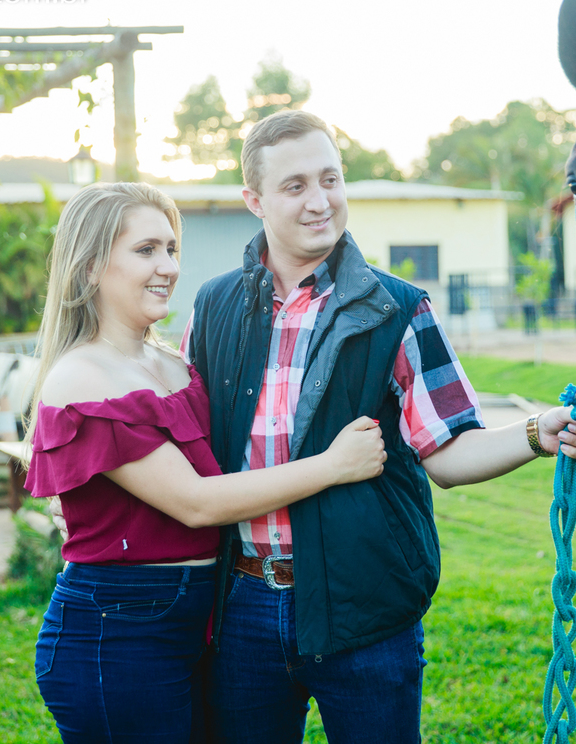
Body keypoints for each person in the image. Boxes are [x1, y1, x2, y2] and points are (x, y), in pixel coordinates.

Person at [181, 110, 576, 743]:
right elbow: (186, 452)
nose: (320, 200)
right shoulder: (213, 306)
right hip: (240, 605)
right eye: (295, 185)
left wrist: (534, 433)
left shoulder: (398, 308)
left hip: (367, 606)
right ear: (254, 200)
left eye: (331, 178)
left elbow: (449, 452)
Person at [22, 182, 388, 744]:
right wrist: (334, 465)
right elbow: (196, 503)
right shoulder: (82, 377)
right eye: (145, 250)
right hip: (117, 632)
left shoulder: (171, 364)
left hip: (197, 622)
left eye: (171, 248)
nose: (167, 266)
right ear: (92, 266)